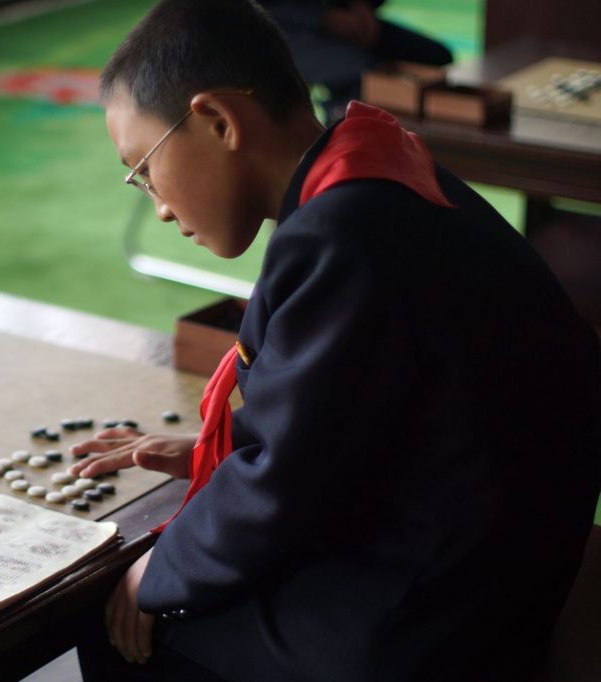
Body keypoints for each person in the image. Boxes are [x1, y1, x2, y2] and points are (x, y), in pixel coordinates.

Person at [69, 1, 601, 680]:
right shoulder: (379, 172)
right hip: (505, 551)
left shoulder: (337, 238)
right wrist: (219, 447)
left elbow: (282, 494)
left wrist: (158, 571)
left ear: (218, 121)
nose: (162, 206)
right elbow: (352, 411)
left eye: (144, 169)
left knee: (117, 619)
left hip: (435, 613)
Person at [264, 0, 453, 119]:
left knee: (436, 59)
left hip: (345, 14)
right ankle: (340, 161)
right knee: (368, 77)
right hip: (283, 29)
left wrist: (362, 6)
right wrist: (321, 18)